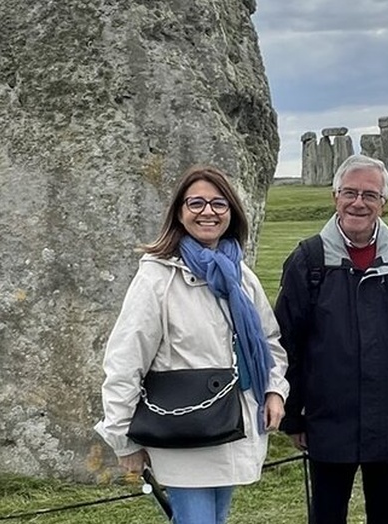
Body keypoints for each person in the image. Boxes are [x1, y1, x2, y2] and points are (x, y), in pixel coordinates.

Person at [95, 166, 289, 524]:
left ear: (231, 212)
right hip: (183, 431)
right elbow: (125, 360)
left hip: (233, 423)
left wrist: (275, 391)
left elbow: (268, 341)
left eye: (218, 203)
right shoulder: (157, 277)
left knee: (213, 518)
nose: (208, 212)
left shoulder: (241, 276)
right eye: (196, 203)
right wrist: (125, 440)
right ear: (180, 213)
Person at [275, 154, 388, 524]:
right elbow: (288, 342)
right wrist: (293, 415)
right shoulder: (309, 261)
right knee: (327, 514)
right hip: (328, 416)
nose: (358, 202)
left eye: (370, 194)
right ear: (335, 196)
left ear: (384, 202)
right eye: (349, 192)